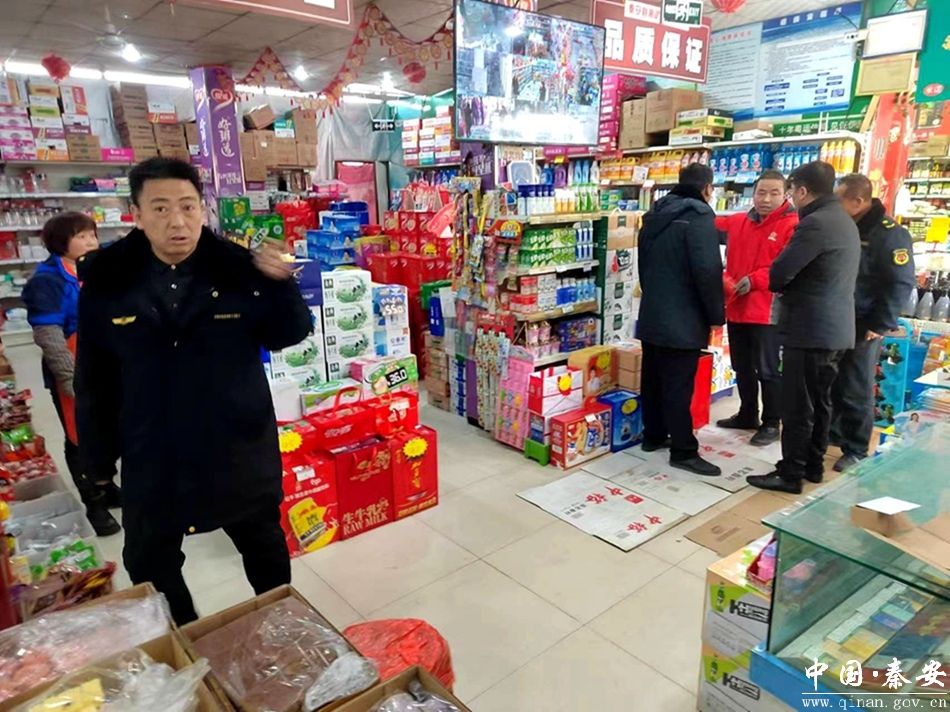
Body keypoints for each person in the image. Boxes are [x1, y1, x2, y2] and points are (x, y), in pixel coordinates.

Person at [75, 158, 312, 625]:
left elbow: (287, 334)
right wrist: (97, 461)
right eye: (160, 208)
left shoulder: (238, 269)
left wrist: (280, 285)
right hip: (153, 449)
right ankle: (187, 640)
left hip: (236, 444)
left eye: (188, 206)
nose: (177, 221)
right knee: (148, 561)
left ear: (203, 210)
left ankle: (284, 631)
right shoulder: (108, 280)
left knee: (264, 551)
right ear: (137, 214)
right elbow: (94, 376)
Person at [748, 161, 860, 494]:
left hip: (810, 329)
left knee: (798, 405)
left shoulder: (814, 223)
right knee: (821, 402)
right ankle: (812, 465)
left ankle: (790, 473)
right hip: (835, 330)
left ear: (801, 190)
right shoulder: (843, 219)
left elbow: (779, 273)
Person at [23, 213, 121, 536]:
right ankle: (93, 502)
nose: (91, 242)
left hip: (106, 362)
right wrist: (69, 378)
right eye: (82, 236)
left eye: (92, 235)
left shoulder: (97, 269)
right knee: (80, 435)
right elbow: (48, 334)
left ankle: (107, 486)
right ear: (60, 242)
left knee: (108, 428)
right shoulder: (47, 281)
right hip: (73, 365)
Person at [637, 163, 725, 476]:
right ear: (707, 189)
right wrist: (716, 315)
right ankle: (684, 450)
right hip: (684, 317)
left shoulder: (655, 213)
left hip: (653, 311)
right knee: (678, 385)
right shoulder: (699, 217)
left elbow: (643, 263)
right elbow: (707, 271)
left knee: (653, 378)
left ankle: (653, 435)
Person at [831, 174, 915, 471]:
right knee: (833, 381)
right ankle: (834, 432)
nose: (833, 205)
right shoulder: (845, 225)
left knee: (856, 385)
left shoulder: (889, 233)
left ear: (858, 201)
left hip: (865, 321)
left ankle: (856, 448)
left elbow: (900, 282)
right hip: (838, 317)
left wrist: (880, 324)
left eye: (838, 200)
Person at [715, 170, 798, 446]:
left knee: (768, 369)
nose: (766, 199)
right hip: (736, 305)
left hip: (768, 310)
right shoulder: (739, 221)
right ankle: (747, 413)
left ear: (786, 194)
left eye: (774, 193)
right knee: (741, 366)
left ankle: (772, 422)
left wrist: (755, 280)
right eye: (761, 192)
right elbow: (709, 224)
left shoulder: (793, 225)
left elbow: (787, 266)